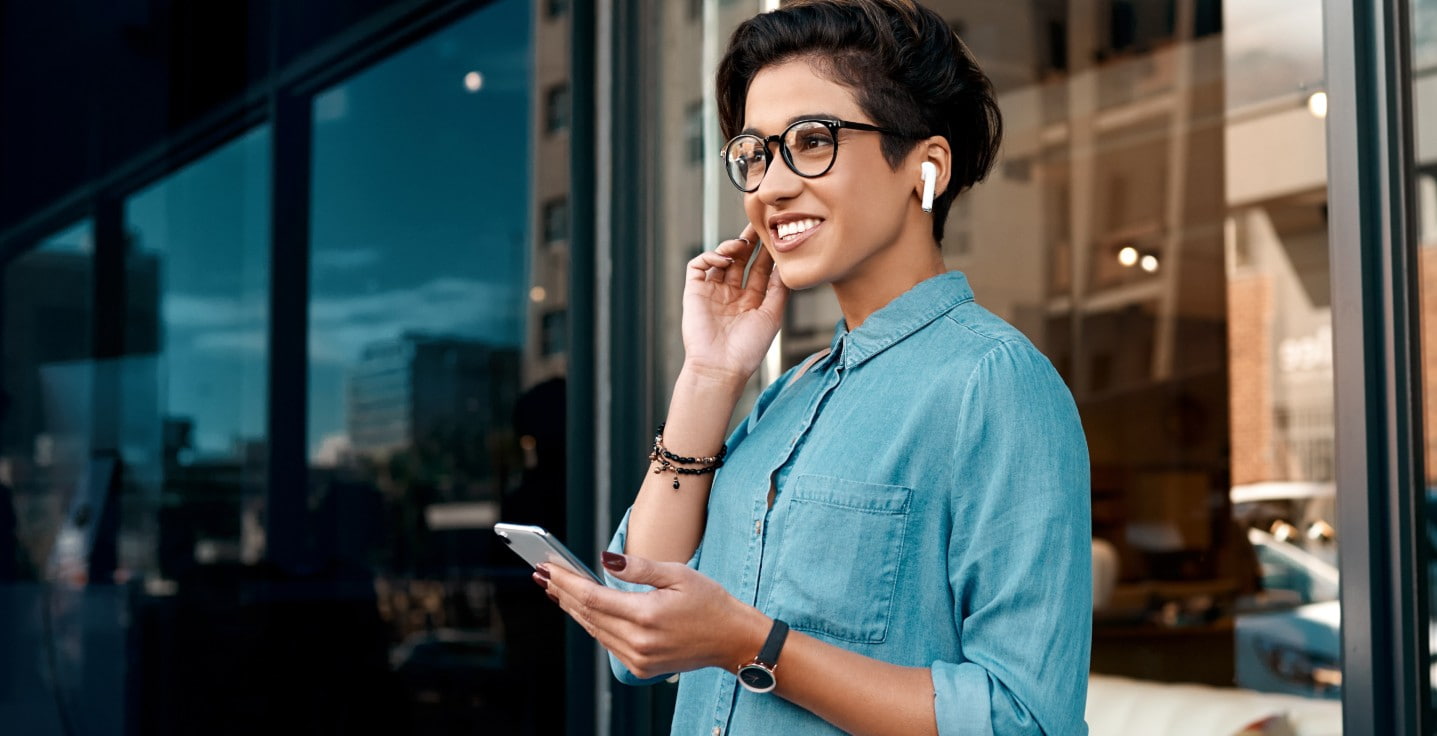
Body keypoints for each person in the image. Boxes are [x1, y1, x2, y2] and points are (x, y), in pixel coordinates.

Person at [540, 1, 1092, 733]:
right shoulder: (788, 396)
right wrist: (708, 376)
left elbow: (1025, 718)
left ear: (924, 167)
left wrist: (751, 644)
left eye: (810, 141)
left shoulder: (993, 384)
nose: (769, 186)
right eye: (754, 153)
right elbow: (641, 632)